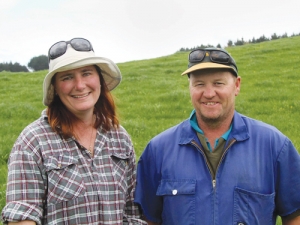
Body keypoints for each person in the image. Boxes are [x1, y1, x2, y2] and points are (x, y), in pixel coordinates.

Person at [134, 47, 300, 225]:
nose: (209, 93)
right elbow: (148, 219)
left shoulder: (274, 146)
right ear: (189, 87)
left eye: (218, 83)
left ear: (236, 85)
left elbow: (295, 216)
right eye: (199, 84)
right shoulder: (158, 150)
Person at [2, 38, 146, 225]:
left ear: (99, 79)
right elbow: (23, 217)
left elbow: (132, 213)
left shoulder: (119, 138)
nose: (79, 85)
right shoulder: (33, 141)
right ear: (55, 87)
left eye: (86, 73)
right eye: (67, 77)